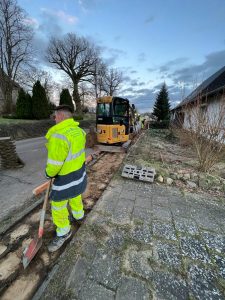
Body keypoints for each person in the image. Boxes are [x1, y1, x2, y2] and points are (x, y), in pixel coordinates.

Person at [45, 105, 87, 252]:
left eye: (55, 116)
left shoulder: (58, 136)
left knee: (58, 205)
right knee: (76, 195)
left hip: (65, 179)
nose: (54, 119)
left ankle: (64, 232)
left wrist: (49, 174)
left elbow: (54, 164)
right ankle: (79, 215)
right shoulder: (79, 131)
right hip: (79, 174)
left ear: (61, 116)